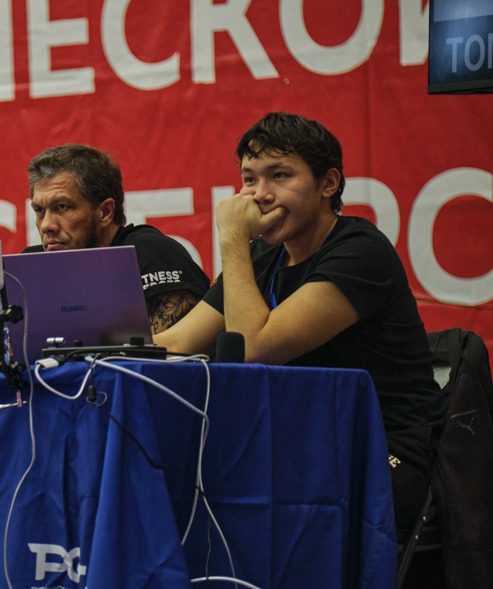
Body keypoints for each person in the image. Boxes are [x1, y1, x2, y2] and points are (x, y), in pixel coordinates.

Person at [155, 111, 444, 528]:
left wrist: (232, 238)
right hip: (303, 447)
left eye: (279, 176)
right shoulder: (263, 256)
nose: (259, 194)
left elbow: (253, 350)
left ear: (328, 183)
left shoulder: (360, 250)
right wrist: (80, 349)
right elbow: (176, 342)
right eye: (249, 179)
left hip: (385, 450)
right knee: (173, 479)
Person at [24, 143, 210, 333]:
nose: (46, 225)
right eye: (39, 210)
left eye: (62, 207)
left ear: (105, 212)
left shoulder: (152, 254)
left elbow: (172, 348)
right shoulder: (28, 267)